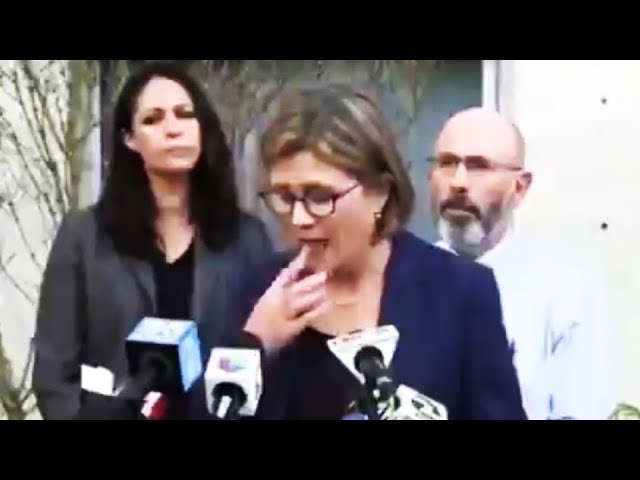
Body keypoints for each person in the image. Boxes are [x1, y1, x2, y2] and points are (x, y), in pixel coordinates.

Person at [229, 86, 527, 420]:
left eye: (321, 196)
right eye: (285, 197)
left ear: (381, 192)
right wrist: (254, 343)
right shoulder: (256, 291)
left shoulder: (460, 291)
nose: (299, 218)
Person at [32, 61, 273, 420]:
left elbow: (267, 359)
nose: (173, 128)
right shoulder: (83, 236)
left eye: (185, 114)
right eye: (153, 119)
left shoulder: (248, 238)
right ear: (129, 139)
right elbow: (53, 376)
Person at [428, 107, 616, 419]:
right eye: (447, 163)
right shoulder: (398, 279)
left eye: (478, 166)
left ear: (520, 187)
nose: (458, 182)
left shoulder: (567, 293)